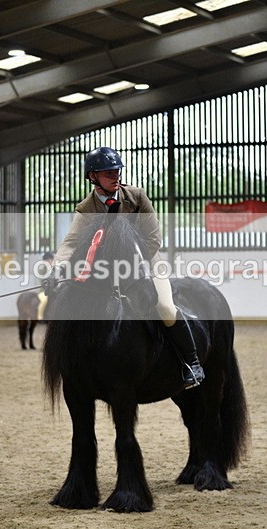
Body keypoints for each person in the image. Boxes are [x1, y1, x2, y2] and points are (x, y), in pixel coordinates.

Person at [43, 146, 205, 389]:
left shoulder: (137, 197)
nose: (115, 176)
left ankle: (191, 363)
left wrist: (131, 264)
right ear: (92, 177)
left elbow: (153, 238)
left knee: (164, 306)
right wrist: (57, 269)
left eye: (117, 171)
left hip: (144, 262)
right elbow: (71, 242)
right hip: (106, 270)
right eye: (108, 173)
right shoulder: (86, 208)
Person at [36, 251, 54, 322]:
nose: (50, 261)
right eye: (48, 260)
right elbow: (42, 281)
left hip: (54, 290)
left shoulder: (54, 269)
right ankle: (40, 317)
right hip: (44, 291)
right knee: (44, 300)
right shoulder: (41, 270)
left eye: (51, 260)